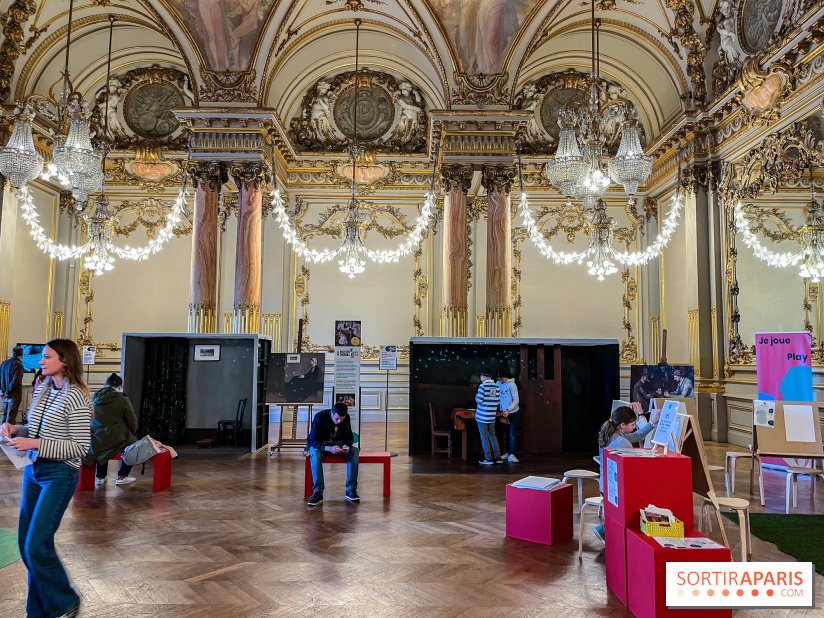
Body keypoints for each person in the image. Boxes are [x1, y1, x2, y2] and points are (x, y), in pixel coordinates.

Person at [0, 339, 92, 618]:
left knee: (37, 544)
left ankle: (65, 602)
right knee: (25, 546)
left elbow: (80, 447)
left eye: (46, 356)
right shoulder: (44, 389)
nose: (40, 361)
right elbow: (35, 429)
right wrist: (16, 429)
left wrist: (36, 444)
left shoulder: (76, 396)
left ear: (64, 360)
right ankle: (37, 613)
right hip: (33, 471)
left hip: (59, 473)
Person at [593, 406, 657, 545]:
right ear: (622, 425)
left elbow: (635, 436)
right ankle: (607, 533)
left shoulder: (611, 432)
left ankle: (605, 531)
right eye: (633, 424)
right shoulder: (622, 442)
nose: (635, 427)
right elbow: (631, 465)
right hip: (615, 487)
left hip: (606, 485)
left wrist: (652, 423)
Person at [84, 373, 138, 486]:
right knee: (133, 445)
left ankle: (100, 477)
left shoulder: (94, 398)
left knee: (101, 444)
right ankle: (122, 476)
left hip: (96, 439)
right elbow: (132, 420)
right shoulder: (123, 399)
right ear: (120, 387)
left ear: (105, 385)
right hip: (117, 439)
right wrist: (132, 432)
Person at [306, 402, 359, 505]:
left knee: (354, 451)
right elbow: (312, 440)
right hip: (319, 445)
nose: (339, 421)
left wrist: (346, 445)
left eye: (341, 419)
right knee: (315, 455)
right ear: (331, 413)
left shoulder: (346, 418)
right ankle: (318, 491)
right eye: (337, 418)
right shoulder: (319, 417)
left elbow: (349, 437)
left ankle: (351, 489)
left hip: (337, 445)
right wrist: (327, 448)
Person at [475, 368, 503, 465]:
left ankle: (489, 458)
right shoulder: (497, 387)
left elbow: (479, 400)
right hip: (492, 416)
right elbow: (498, 401)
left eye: (480, 377)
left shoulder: (482, 386)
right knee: (493, 435)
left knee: (484, 436)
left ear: (483, 376)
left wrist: (476, 396)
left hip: (482, 416)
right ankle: (498, 457)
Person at [497, 371, 520, 463]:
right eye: (499, 379)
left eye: (502, 379)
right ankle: (507, 452)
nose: (501, 381)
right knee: (505, 433)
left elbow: (516, 400)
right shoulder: (498, 384)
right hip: (503, 413)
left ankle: (512, 454)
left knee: (512, 434)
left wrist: (508, 410)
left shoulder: (512, 385)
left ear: (506, 377)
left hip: (513, 412)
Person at [0, 346, 24, 425]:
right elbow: (15, 381)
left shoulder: (4, 363)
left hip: (4, 394)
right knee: (11, 417)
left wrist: (2, 391)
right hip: (14, 394)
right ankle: (7, 436)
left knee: (5, 415)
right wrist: (7, 392)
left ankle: (2, 435)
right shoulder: (18, 364)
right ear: (22, 354)